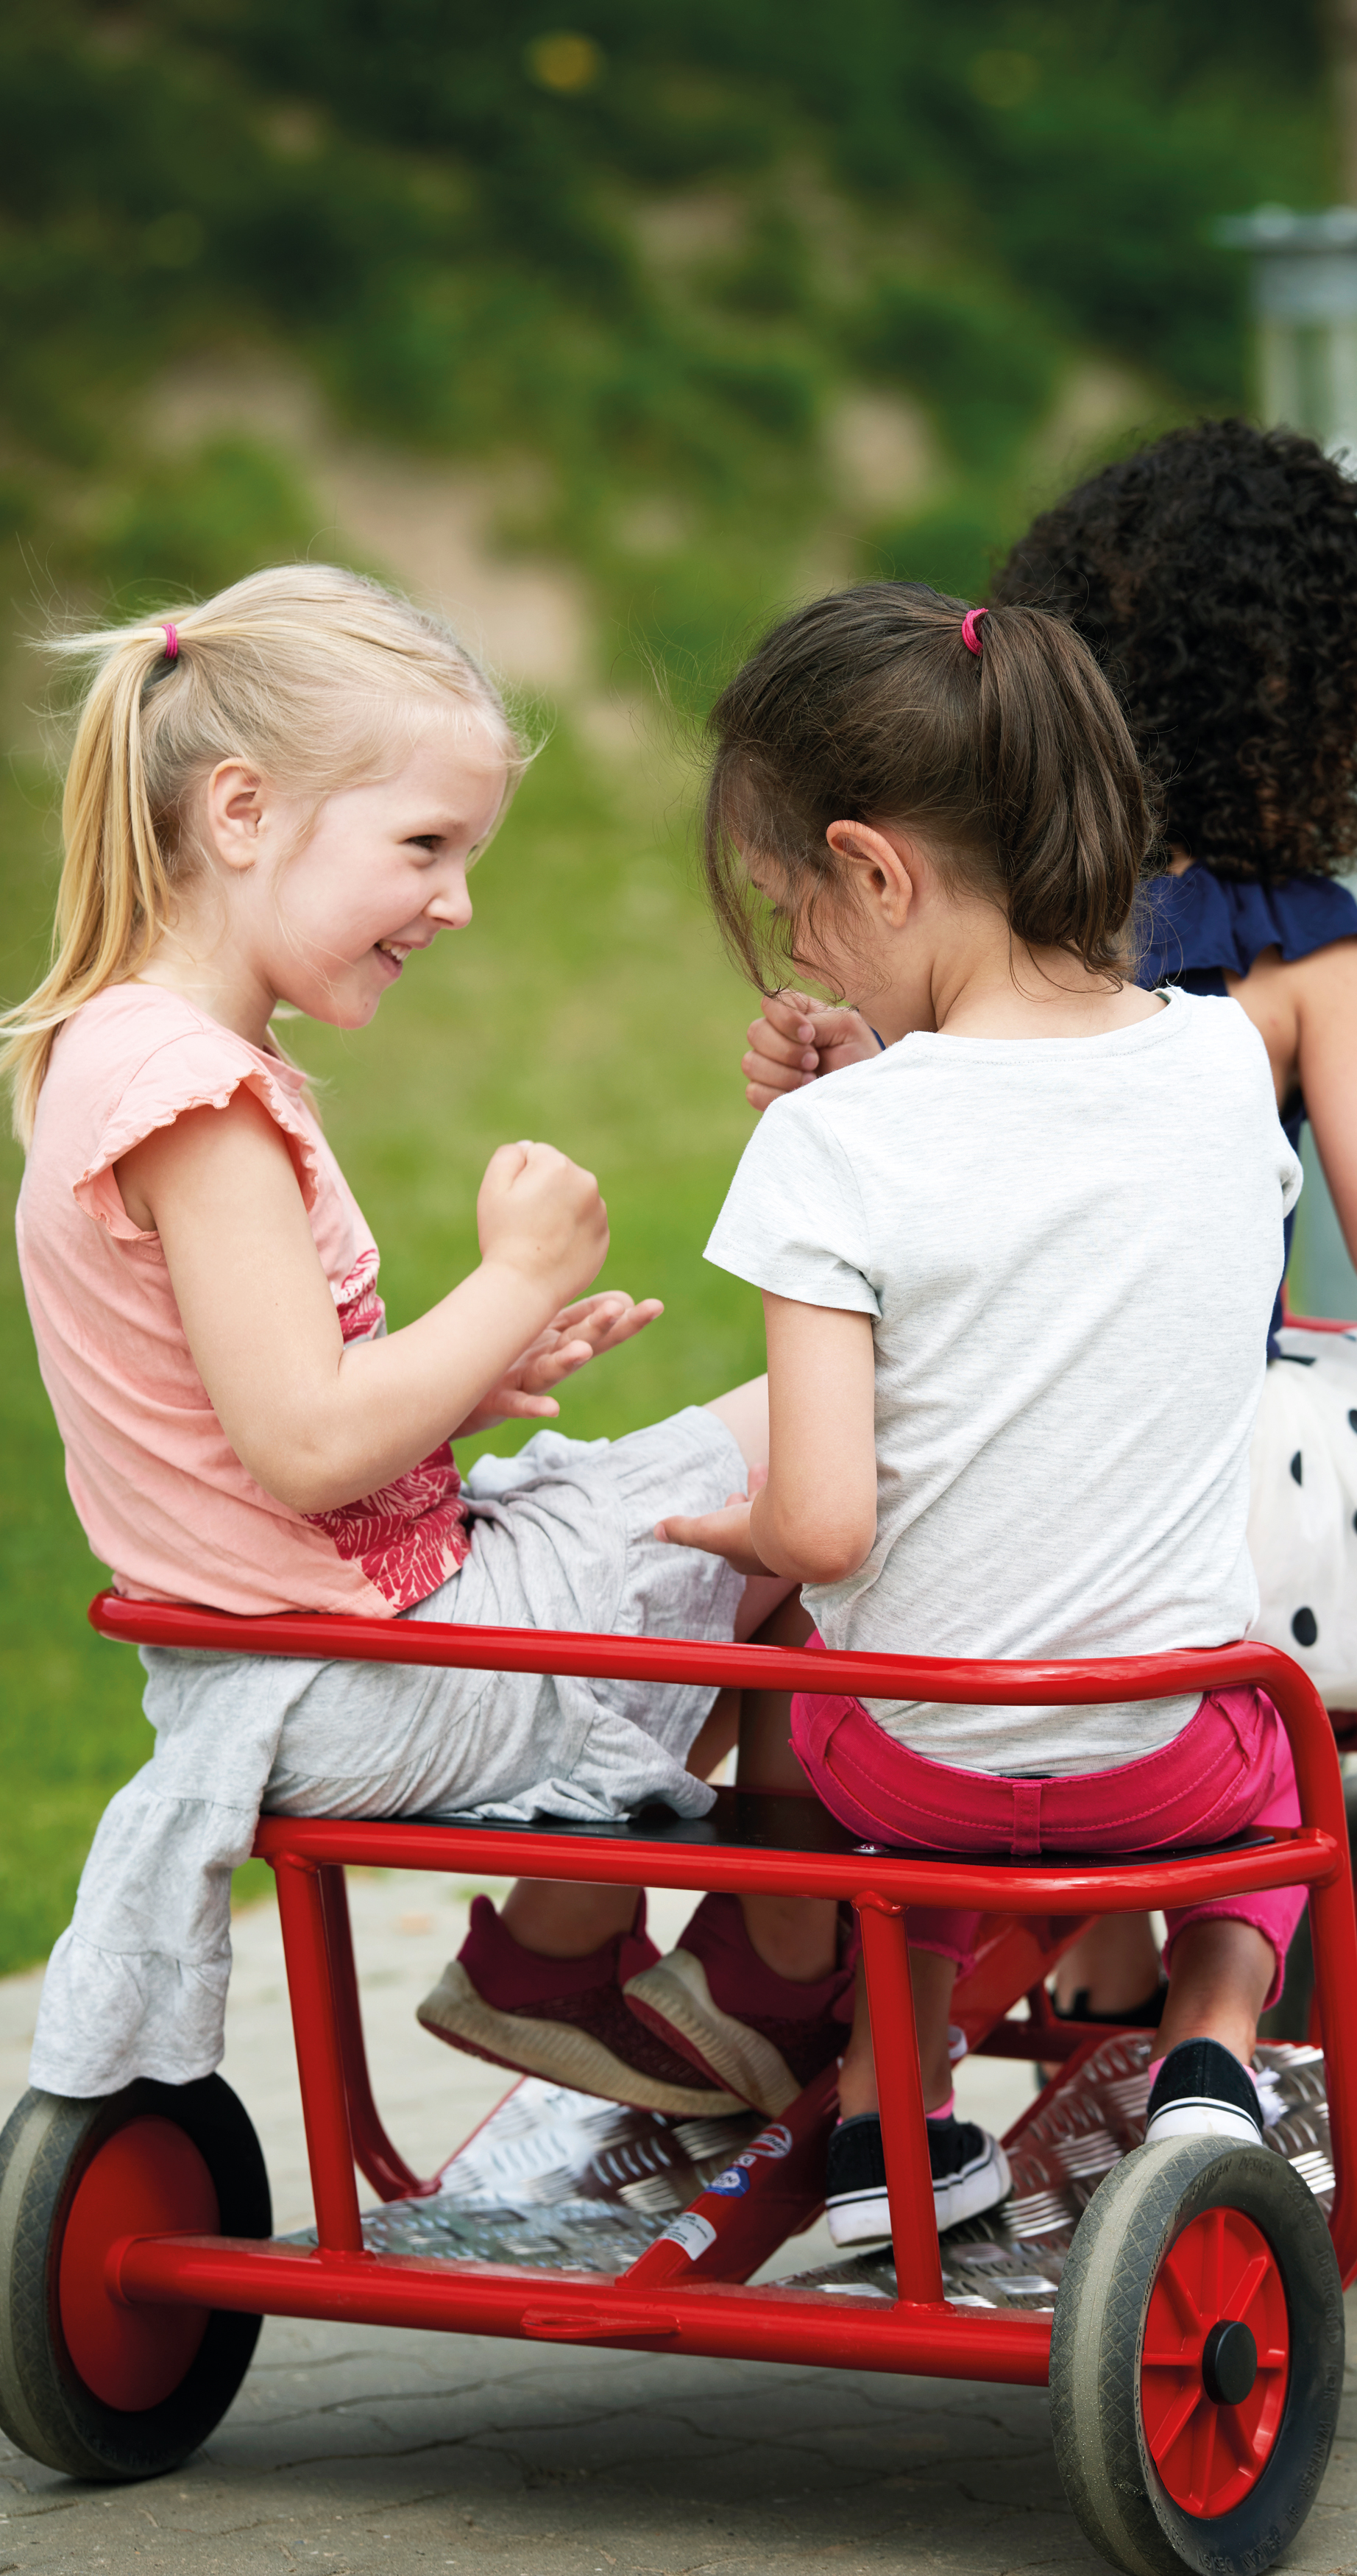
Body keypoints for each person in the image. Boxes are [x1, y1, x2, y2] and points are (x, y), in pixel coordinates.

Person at [741, 422, 1357, 2042]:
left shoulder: (993, 923)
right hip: (1214, 1503)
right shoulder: (1305, 950)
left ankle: (1013, 1959)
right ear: (1334, 705)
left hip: (982, 1474)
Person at [4, 565, 839, 2111]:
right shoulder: (202, 1106)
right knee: (834, 1437)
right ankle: (774, 1964)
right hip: (374, 1683)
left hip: (280, 1666)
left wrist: (467, 1383)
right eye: (424, 848)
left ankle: (577, 1951)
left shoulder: (115, 1053)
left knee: (739, 1505)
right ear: (241, 814)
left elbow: (238, 1427)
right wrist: (512, 1279)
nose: (456, 902)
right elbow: (308, 1439)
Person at [656, 581, 1305, 2251]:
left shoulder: (829, 1147)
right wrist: (879, 1070)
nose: (796, 946)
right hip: (1169, 1759)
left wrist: (720, 1532)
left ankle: (898, 2116)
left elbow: (818, 1527)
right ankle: (1211, 2059)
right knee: (1282, 1765)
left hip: (914, 1775)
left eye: (791, 902)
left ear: (876, 868)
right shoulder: (1228, 1063)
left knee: (835, 1680)